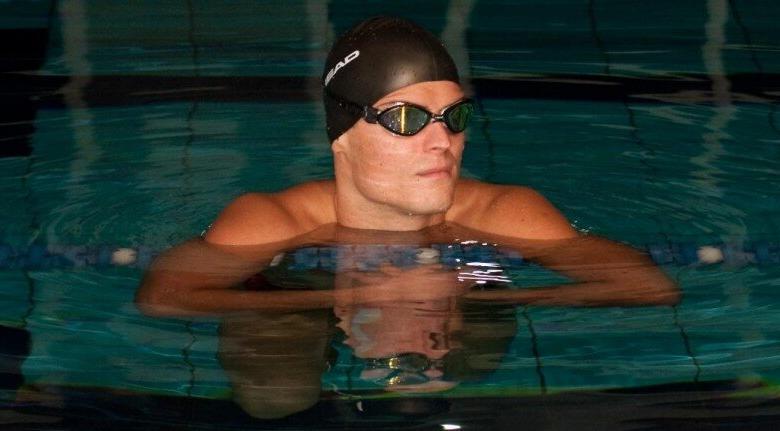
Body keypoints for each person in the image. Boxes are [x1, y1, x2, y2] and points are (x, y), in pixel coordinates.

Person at [135, 16, 679, 317]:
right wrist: (353, 297)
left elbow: (649, 287)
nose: (442, 140)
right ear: (342, 136)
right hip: (299, 301)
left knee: (482, 340)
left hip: (463, 300)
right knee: (273, 386)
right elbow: (163, 297)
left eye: (454, 116)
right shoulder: (273, 221)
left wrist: (484, 292)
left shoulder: (504, 211)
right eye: (405, 119)